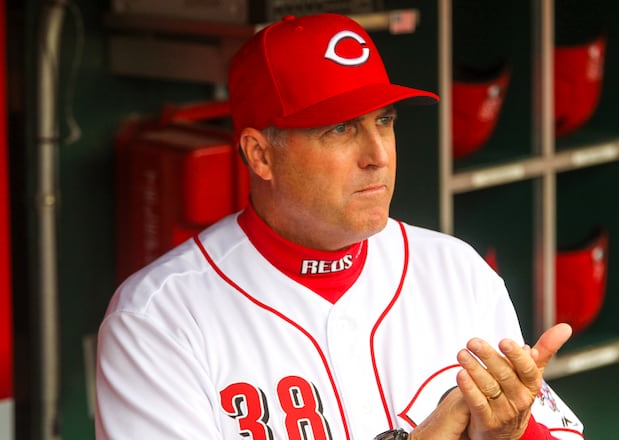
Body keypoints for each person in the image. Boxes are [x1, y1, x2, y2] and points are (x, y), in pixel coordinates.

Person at [95, 13, 583, 440]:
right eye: (341, 128)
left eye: (385, 121)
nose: (378, 156)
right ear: (260, 154)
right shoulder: (158, 321)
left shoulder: (457, 272)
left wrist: (511, 434)